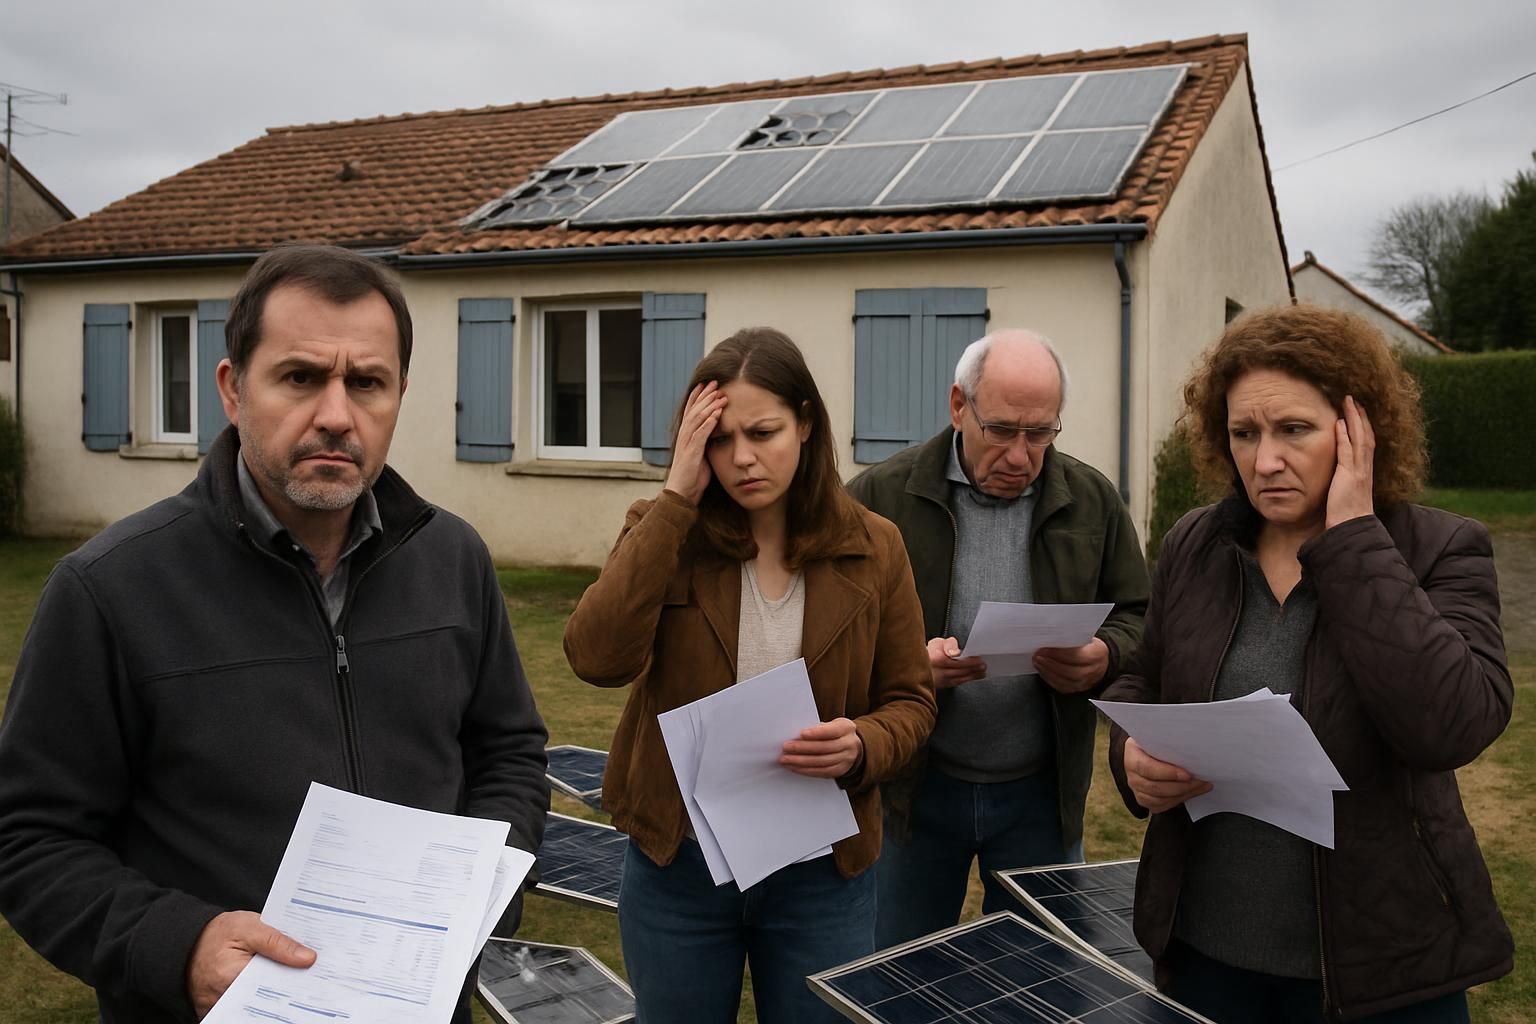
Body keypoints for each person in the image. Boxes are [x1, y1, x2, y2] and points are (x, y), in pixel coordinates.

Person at [0, 245, 550, 1024]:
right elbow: (29, 838)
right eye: (300, 377)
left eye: (366, 382)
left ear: (398, 396)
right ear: (232, 389)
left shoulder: (453, 559)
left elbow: (509, 752)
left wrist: (487, 880)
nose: (335, 413)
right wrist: (178, 944)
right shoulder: (110, 590)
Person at [1104, 304, 1513, 1023]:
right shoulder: (1194, 544)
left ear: (1359, 429)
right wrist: (1131, 756)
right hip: (1207, 952)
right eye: (1244, 433)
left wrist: (1354, 539)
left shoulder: (1440, 550)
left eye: (1294, 429)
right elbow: (1145, 675)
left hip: (1381, 967)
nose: (1265, 460)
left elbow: (1453, 725)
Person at [563, 327, 935, 1023]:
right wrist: (676, 497)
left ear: (806, 423)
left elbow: (912, 701)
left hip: (821, 870)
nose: (742, 458)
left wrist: (862, 744)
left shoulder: (873, 546)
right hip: (680, 864)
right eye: (719, 439)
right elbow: (595, 659)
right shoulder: (663, 531)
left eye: (763, 432)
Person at [847, 328, 1149, 947]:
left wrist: (1103, 654)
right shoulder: (879, 498)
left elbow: (1141, 617)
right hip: (914, 791)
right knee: (896, 976)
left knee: (1042, 980)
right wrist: (906, 669)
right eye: (1002, 430)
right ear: (959, 406)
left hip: (1041, 794)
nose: (1020, 456)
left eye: (1040, 434)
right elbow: (827, 636)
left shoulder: (1093, 502)